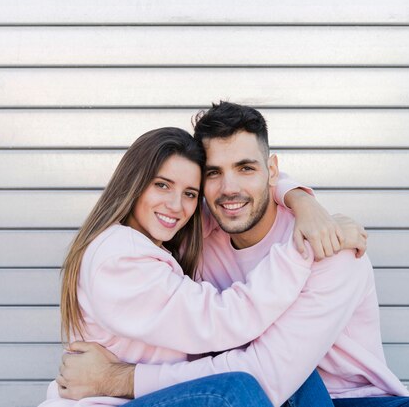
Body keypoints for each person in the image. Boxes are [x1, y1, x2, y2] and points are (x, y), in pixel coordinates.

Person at [57, 102, 409, 407]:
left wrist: (302, 205)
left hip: (349, 400)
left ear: (271, 170)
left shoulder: (332, 250)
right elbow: (246, 361)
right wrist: (301, 198)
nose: (229, 190)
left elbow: (271, 376)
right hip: (257, 388)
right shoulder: (195, 230)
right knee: (253, 383)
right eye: (214, 175)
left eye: (246, 168)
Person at [41, 127, 364, 407]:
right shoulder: (119, 257)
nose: (175, 205)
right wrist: (304, 247)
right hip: (107, 402)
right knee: (234, 390)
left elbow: (242, 191)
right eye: (162, 185)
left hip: (150, 398)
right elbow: (224, 319)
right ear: (134, 183)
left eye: (190, 193)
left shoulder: (164, 241)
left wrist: (302, 201)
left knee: (290, 371)